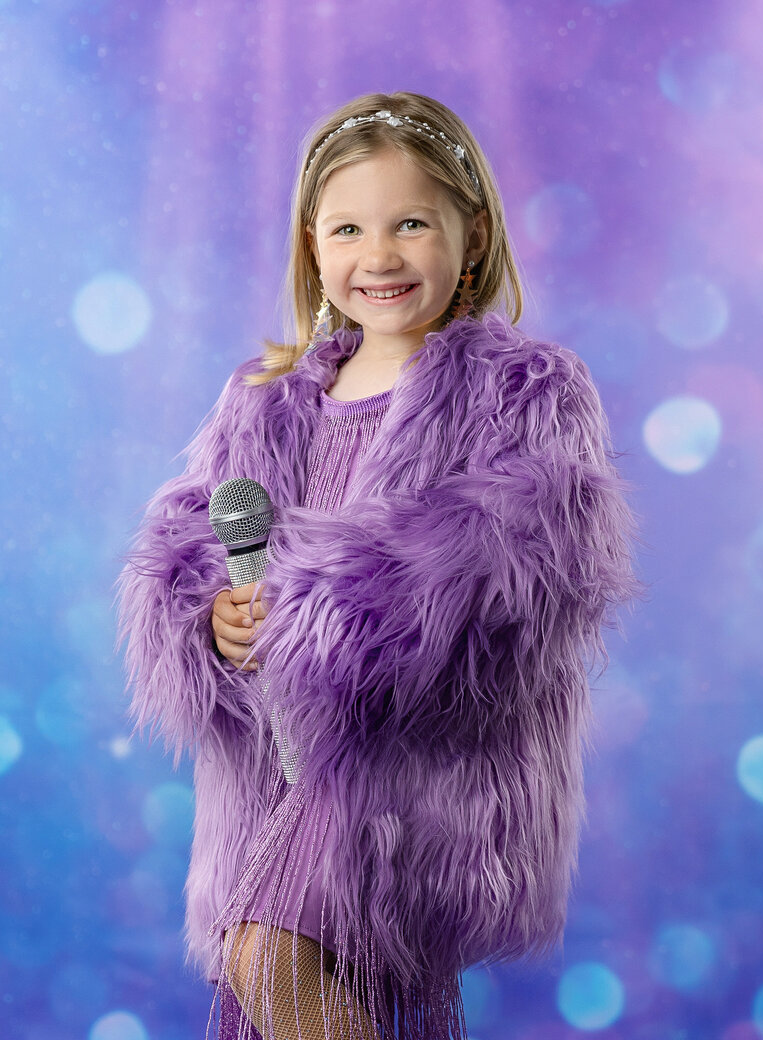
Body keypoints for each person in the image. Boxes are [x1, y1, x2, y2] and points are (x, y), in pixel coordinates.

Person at [117, 91, 640, 1040]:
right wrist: (212, 620)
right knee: (290, 988)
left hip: (405, 763)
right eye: (349, 228)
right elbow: (195, 533)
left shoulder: (522, 390)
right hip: (277, 761)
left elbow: (527, 552)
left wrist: (330, 612)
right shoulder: (265, 398)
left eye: (412, 224)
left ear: (471, 236)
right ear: (314, 249)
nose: (381, 256)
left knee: (271, 955)